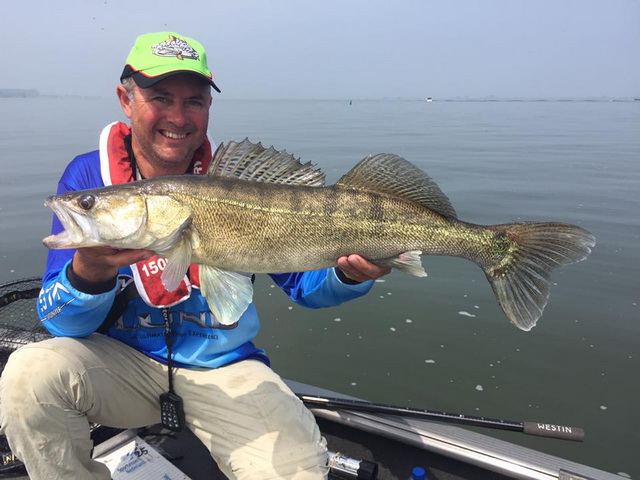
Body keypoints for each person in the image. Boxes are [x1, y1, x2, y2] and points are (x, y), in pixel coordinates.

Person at [0, 32, 390, 480]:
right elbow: (64, 326)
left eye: (195, 101)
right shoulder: (89, 176)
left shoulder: (244, 187)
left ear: (209, 107)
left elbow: (307, 287)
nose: (178, 116)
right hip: (119, 366)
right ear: (125, 101)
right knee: (30, 374)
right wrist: (88, 273)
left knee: (293, 472)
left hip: (224, 368)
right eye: (160, 98)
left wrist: (354, 275)